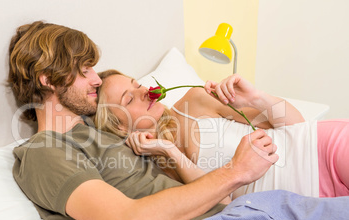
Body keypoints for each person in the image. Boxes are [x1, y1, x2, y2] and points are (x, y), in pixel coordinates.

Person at [8, 21, 349, 220]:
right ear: (47, 79)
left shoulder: (112, 139)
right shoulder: (45, 152)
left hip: (243, 211)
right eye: (84, 70)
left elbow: (221, 193)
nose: (95, 79)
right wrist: (235, 170)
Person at [95, 69, 349, 199]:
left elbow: (297, 126)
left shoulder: (193, 102)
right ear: (118, 126)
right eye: (129, 98)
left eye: (138, 84)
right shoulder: (148, 169)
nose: (145, 92)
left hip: (324, 149)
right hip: (306, 205)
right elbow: (220, 200)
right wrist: (168, 150)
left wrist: (256, 98)